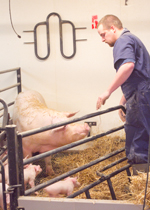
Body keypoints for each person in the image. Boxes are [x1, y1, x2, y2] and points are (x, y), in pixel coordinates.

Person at [96, 14, 150, 174]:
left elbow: (127, 66)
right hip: (140, 94)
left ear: (112, 28)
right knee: (141, 133)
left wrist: (107, 92)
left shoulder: (122, 41)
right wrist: (124, 98)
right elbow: (139, 75)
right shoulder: (132, 39)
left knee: (137, 137)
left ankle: (139, 186)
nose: (102, 39)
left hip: (141, 97)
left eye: (103, 34)